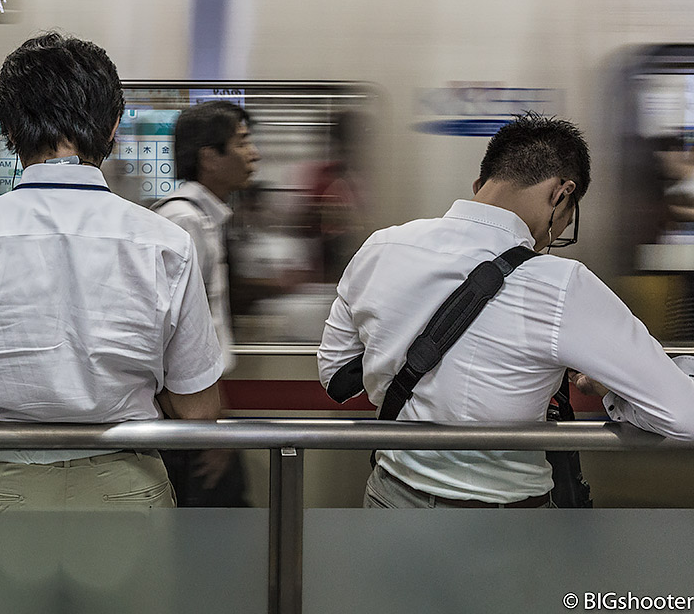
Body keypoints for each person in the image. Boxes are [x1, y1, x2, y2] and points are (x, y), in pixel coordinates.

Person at [0, 32, 224, 509]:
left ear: (9, 129)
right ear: (113, 126)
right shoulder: (166, 243)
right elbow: (198, 411)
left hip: (3, 487)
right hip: (127, 487)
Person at [318, 113, 694, 508]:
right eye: (569, 216)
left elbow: (335, 375)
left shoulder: (380, 247)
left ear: (479, 185)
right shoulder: (562, 284)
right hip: (501, 524)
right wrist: (608, 390)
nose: (560, 231)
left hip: (387, 498)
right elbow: (683, 416)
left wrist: (398, 340)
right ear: (562, 193)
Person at [152, 100, 259, 506]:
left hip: (198, 414)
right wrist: (208, 430)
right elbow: (177, 334)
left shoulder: (203, 218)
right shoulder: (186, 221)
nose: (255, 154)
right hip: (188, 420)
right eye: (243, 142)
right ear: (209, 158)